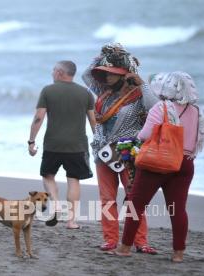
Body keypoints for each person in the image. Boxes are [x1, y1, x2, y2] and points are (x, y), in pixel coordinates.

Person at [114, 72, 204, 262]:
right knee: (177, 209)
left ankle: (125, 247)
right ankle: (178, 253)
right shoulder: (195, 110)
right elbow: (197, 139)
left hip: (158, 161)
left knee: (136, 205)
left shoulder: (160, 108)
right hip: (185, 163)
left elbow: (144, 135)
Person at [82, 43, 158, 253]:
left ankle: (140, 241)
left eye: (111, 73)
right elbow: (87, 75)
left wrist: (141, 82)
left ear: (124, 75)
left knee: (135, 199)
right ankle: (110, 239)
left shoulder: (139, 96)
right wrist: (106, 54)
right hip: (103, 153)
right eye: (105, 73)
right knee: (107, 199)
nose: (106, 77)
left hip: (129, 155)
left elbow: (155, 107)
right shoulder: (103, 92)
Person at [28, 60, 95, 229]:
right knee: (74, 180)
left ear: (59, 72)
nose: (52, 73)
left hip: (53, 144)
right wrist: (99, 141)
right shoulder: (85, 93)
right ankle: (71, 221)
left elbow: (38, 117)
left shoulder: (48, 91)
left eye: (53, 70)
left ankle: (56, 204)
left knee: (48, 175)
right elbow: (93, 121)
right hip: (77, 145)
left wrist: (31, 141)